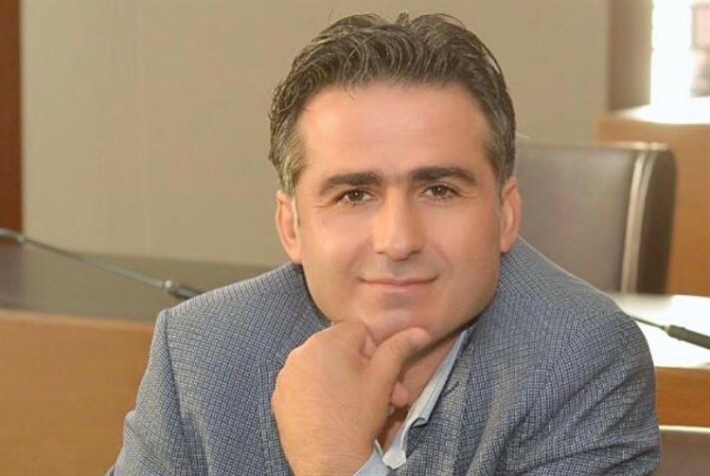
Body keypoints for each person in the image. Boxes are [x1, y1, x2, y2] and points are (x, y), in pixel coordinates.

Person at [109, 12, 660, 475]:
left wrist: (337, 462)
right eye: (354, 195)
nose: (398, 241)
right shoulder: (202, 352)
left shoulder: (580, 360)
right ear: (292, 227)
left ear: (506, 214)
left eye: (439, 190)